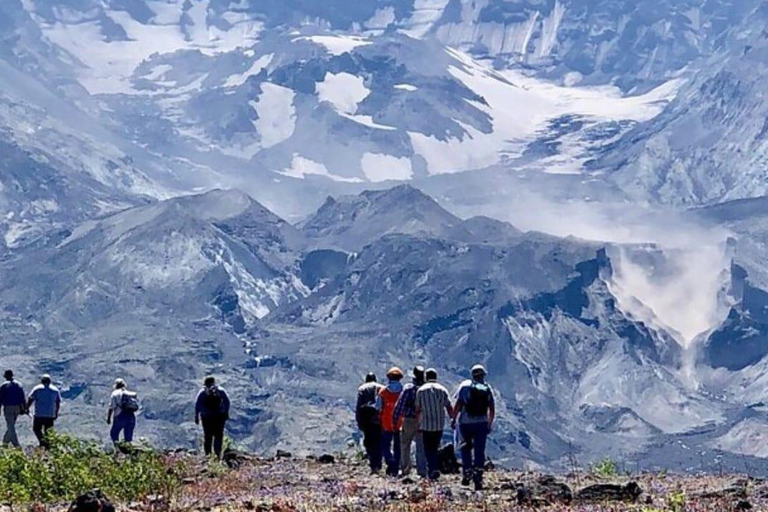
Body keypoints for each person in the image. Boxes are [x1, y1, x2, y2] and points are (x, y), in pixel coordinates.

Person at [453, 364, 495, 490]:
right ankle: (478, 475)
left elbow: (458, 404)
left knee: (465, 448)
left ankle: (467, 473)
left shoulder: (465, 387)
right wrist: (489, 424)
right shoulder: (487, 388)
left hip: (465, 423)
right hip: (481, 423)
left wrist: (453, 418)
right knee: (479, 450)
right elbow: (492, 409)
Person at [415, 368, 453, 480]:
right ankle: (434, 468)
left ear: (426, 377)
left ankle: (432, 469)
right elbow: (449, 407)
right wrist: (453, 419)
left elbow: (417, 409)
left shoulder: (421, 391)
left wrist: (417, 424)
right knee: (435, 447)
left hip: (426, 425)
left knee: (428, 448)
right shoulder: (443, 390)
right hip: (439, 425)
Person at [393, 365, 427, 477]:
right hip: (423, 420)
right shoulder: (426, 389)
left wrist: (395, 419)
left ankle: (405, 469)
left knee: (405, 444)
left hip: (409, 420)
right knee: (421, 446)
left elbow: (400, 405)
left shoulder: (408, 389)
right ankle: (421, 471)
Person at [376, 367, 404, 476]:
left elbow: (378, 407)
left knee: (385, 445)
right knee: (398, 446)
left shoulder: (383, 392)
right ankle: (396, 466)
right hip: (400, 423)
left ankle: (390, 461)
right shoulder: (403, 391)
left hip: (386, 423)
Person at [195, 376, 231, 459]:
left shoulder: (202, 392)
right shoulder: (221, 390)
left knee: (208, 435)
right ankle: (218, 454)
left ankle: (208, 455)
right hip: (219, 416)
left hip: (206, 416)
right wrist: (226, 413)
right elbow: (227, 402)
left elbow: (197, 405)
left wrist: (196, 416)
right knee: (218, 435)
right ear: (214, 382)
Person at [356, 372, 384, 474]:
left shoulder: (362, 389)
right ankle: (378, 464)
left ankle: (373, 465)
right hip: (379, 419)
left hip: (367, 420)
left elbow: (359, 406)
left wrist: (359, 420)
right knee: (379, 442)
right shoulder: (382, 388)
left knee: (368, 442)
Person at [27, 374, 61, 448]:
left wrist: (27, 408)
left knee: (36, 429)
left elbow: (31, 398)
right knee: (48, 431)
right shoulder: (55, 390)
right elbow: (58, 403)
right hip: (50, 414)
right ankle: (48, 445)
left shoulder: (37, 389)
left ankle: (42, 442)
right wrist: (56, 413)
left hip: (39, 414)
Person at [107, 378, 139, 445]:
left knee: (114, 433)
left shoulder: (115, 394)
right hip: (131, 416)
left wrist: (109, 418)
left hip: (120, 416)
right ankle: (129, 452)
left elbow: (111, 407)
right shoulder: (129, 394)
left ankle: (118, 451)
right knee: (128, 438)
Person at [0, 370, 26, 447]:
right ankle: (5, 443)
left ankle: (17, 445)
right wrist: (23, 408)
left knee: (10, 426)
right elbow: (22, 398)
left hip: (8, 407)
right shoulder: (18, 385)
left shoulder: (4, 386)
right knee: (11, 425)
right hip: (17, 407)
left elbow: (0, 399)